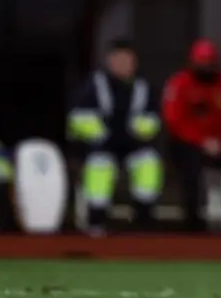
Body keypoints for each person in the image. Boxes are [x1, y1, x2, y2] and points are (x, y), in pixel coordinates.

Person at [65, 38, 163, 234]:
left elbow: (155, 119)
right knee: (99, 164)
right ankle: (97, 220)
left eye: (128, 60)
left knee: (149, 162)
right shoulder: (93, 85)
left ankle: (143, 219)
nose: (124, 64)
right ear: (110, 61)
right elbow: (76, 118)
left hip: (134, 144)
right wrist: (101, 133)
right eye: (119, 59)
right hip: (102, 144)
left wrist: (138, 132)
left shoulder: (144, 87)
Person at [163, 39, 221, 233]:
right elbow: (175, 121)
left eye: (209, 63)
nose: (206, 67)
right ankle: (193, 220)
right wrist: (200, 141)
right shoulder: (179, 84)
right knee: (190, 166)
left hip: (220, 143)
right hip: (188, 144)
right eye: (202, 63)